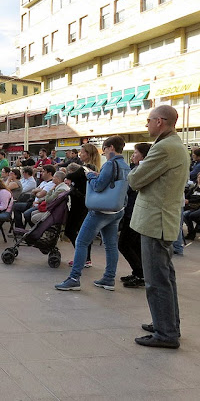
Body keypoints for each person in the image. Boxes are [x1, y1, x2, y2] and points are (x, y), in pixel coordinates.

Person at [129, 105, 188, 349]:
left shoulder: (163, 148)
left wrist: (139, 170)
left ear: (160, 122)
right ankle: (167, 324)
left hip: (156, 221)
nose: (147, 124)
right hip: (162, 219)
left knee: (157, 280)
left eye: (149, 120)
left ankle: (165, 333)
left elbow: (135, 180)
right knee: (166, 277)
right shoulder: (174, 145)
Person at [55, 135, 130, 292]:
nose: (104, 153)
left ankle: (74, 278)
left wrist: (90, 175)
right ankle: (109, 279)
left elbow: (98, 187)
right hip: (116, 209)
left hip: (100, 210)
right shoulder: (124, 165)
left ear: (110, 148)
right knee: (110, 245)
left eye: (105, 149)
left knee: (81, 242)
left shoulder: (110, 164)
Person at [118, 143, 151, 288]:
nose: (132, 156)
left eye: (135, 153)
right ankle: (140, 272)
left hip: (135, 213)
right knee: (134, 245)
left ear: (143, 156)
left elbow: (131, 187)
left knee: (124, 244)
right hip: (131, 212)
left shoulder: (142, 172)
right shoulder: (136, 169)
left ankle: (140, 273)